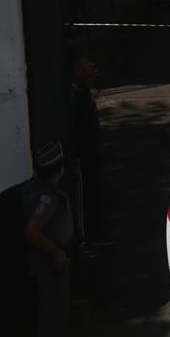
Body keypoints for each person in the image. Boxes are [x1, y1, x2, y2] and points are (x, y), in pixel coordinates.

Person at [22, 141, 74, 337]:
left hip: (41, 262)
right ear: (60, 170)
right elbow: (32, 232)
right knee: (53, 316)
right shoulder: (48, 198)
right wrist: (56, 253)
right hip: (49, 264)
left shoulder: (29, 189)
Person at [69, 58, 102, 246]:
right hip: (82, 158)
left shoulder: (85, 96)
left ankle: (95, 236)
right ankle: (84, 242)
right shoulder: (74, 100)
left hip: (93, 155)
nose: (93, 79)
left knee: (94, 196)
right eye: (89, 75)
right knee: (84, 199)